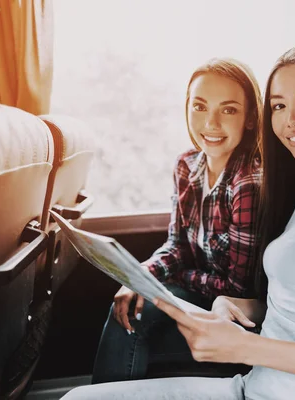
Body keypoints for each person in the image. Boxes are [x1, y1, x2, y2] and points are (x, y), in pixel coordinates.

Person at [66, 41, 295, 399]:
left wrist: (243, 348)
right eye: (279, 105)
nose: (292, 119)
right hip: (255, 386)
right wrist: (233, 305)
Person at [90, 58, 264, 384]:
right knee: (129, 310)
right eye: (200, 106)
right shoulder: (187, 165)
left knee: (136, 327)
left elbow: (239, 288)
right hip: (194, 296)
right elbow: (176, 246)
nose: (210, 123)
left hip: (231, 313)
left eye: (228, 110)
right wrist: (140, 277)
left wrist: (171, 283)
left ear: (251, 118)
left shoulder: (249, 184)